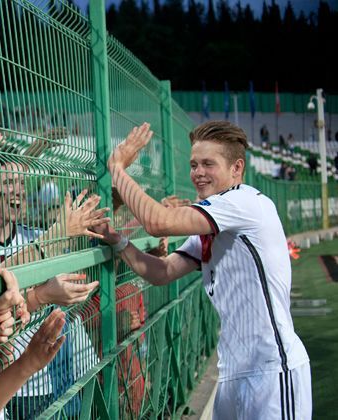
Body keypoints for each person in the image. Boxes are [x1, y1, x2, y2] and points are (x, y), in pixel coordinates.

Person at [96, 121, 311, 419]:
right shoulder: (216, 219)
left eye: (208, 164)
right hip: (232, 371)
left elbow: (159, 222)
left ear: (237, 169)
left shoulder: (243, 202)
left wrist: (118, 168)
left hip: (272, 370)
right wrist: (119, 241)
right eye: (194, 164)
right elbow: (163, 272)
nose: (198, 172)